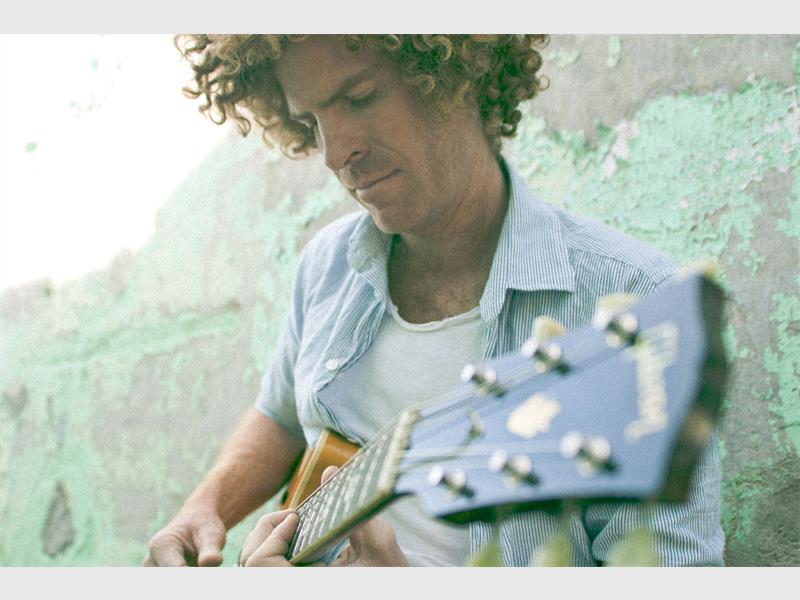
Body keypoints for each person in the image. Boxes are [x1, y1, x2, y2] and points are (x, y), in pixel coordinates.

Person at [143, 34, 725, 567]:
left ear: (458, 72)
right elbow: (281, 416)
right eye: (312, 122)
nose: (334, 153)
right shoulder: (327, 265)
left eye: (361, 97)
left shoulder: (628, 299)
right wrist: (204, 510)